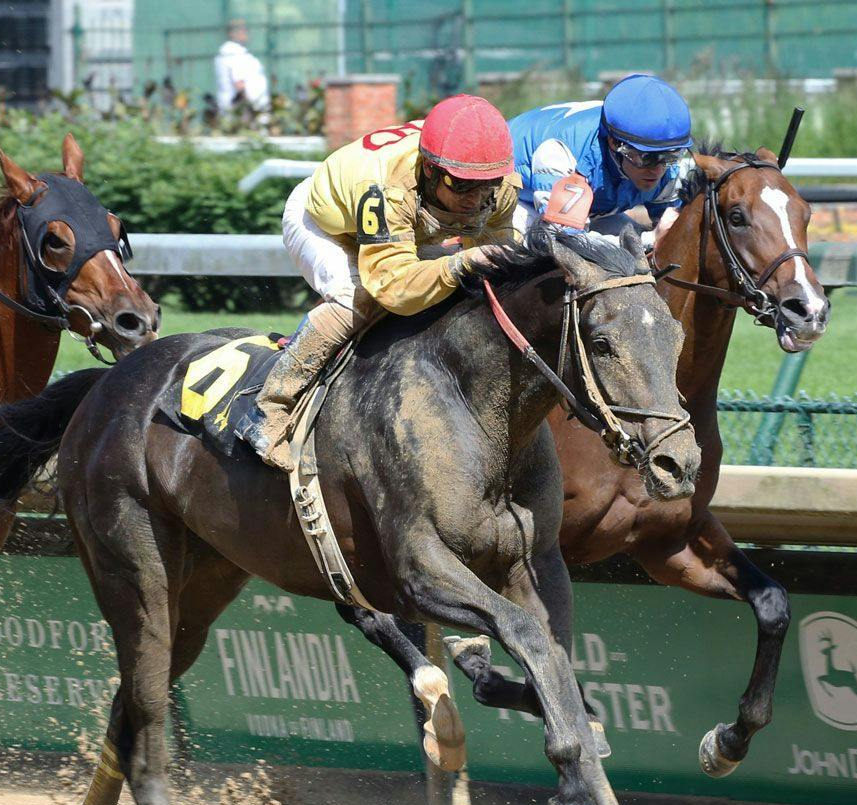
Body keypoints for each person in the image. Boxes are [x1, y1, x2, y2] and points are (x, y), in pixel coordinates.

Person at [239, 94, 519, 471]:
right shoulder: (386, 187)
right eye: (461, 185)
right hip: (324, 223)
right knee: (356, 298)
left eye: (486, 186)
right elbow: (392, 286)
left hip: (400, 227)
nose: (475, 198)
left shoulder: (495, 183)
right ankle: (270, 407)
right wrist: (456, 265)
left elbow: (496, 255)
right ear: (432, 170)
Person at [508, 73, 692, 245]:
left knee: (637, 245)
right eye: (646, 157)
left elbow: (672, 238)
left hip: (590, 210)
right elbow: (565, 242)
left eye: (670, 156)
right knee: (530, 245)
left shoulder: (669, 171)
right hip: (519, 201)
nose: (658, 170)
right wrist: (648, 239)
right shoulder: (560, 155)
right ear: (613, 142)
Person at [213, 18, 269, 125]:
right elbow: (239, 84)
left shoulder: (228, 51)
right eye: (243, 30)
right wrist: (250, 112)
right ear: (234, 33)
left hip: (241, 114)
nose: (246, 33)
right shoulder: (234, 52)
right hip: (245, 116)